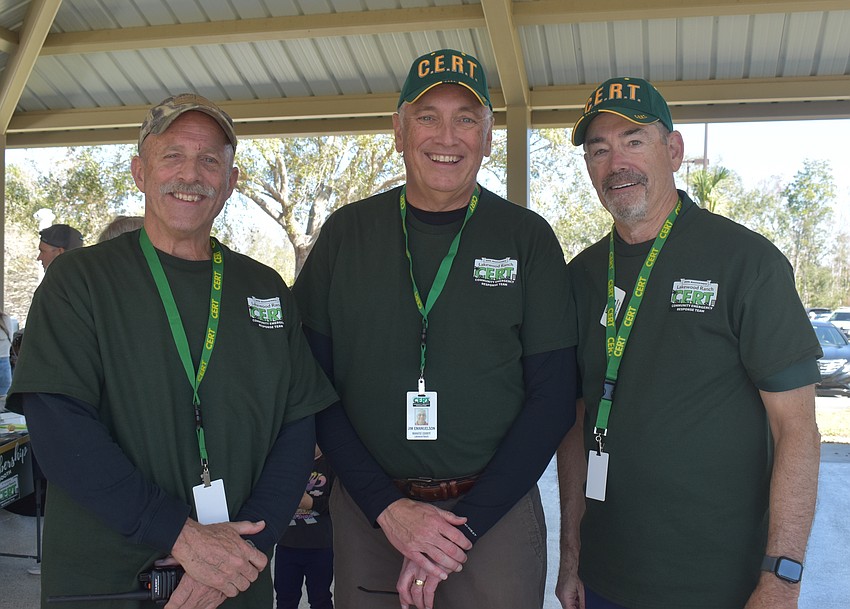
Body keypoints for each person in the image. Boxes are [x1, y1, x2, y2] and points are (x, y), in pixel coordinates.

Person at [7, 92, 338, 609]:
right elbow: (58, 424)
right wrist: (182, 536)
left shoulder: (265, 288)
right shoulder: (80, 279)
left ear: (231, 181)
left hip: (235, 581)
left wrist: (244, 550)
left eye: (210, 160)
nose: (191, 174)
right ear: (140, 171)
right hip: (106, 584)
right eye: (173, 156)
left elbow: (297, 427)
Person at [293, 48, 577, 609]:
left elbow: (553, 398)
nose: (447, 137)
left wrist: (460, 531)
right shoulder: (347, 234)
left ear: (488, 138)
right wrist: (386, 507)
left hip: (494, 515)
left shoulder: (526, 237)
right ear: (399, 131)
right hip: (372, 514)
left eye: (466, 119)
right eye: (427, 117)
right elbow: (309, 383)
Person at [555, 77, 822, 609]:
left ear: (673, 150)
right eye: (599, 150)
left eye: (634, 141)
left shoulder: (746, 262)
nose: (616, 164)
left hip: (722, 585)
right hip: (606, 578)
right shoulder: (581, 276)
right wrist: (571, 556)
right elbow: (576, 422)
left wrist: (782, 578)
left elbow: (797, 430)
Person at [274, 446, 335, 609]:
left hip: (321, 547)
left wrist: (312, 503)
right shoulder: (287, 463)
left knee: (320, 598)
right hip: (287, 545)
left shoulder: (331, 464)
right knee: (285, 599)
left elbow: (338, 504)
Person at [0, 310, 18, 397]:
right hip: (4, 360)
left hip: (4, 360)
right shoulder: (5, 318)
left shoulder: (4, 318)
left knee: (4, 395)